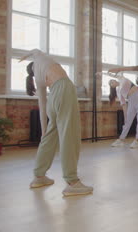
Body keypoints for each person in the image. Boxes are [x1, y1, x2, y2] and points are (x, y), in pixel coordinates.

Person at [21, 49, 93, 196]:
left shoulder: (41, 80)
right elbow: (36, 51)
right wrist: (26, 56)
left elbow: (42, 108)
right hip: (64, 90)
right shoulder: (42, 61)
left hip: (53, 97)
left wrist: (43, 133)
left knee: (50, 135)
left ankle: (39, 176)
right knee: (69, 134)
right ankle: (72, 182)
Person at [97, 72, 138, 148]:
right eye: (111, 84)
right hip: (131, 100)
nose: (112, 83)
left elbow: (113, 74)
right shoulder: (118, 91)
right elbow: (123, 104)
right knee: (127, 121)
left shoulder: (122, 79)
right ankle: (121, 140)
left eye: (112, 81)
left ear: (114, 80)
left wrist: (102, 73)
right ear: (112, 86)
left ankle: (137, 140)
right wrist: (125, 116)